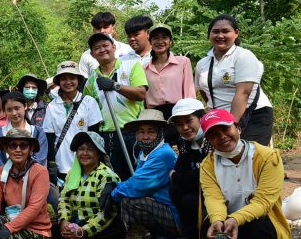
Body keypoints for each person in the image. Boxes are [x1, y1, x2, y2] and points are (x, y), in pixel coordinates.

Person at [199, 109, 291, 239]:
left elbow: (264, 201)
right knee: (208, 226)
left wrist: (236, 219)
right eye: (214, 134)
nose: (222, 137)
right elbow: (213, 198)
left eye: (226, 129)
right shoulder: (208, 164)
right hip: (228, 224)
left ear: (238, 128)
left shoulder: (267, 157)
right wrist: (218, 220)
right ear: (209, 140)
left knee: (257, 227)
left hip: (258, 227)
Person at [104, 109, 183, 239]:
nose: (145, 137)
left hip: (174, 215)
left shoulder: (163, 154)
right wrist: (115, 186)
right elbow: (137, 180)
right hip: (161, 207)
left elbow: (138, 185)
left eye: (151, 132)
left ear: (160, 133)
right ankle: (158, 234)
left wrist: (114, 193)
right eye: (141, 132)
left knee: (129, 201)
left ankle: (167, 235)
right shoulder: (144, 152)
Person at [195, 15, 273, 145]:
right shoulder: (202, 63)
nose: (220, 35)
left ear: (236, 33)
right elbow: (203, 91)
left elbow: (243, 93)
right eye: (215, 31)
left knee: (250, 154)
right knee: (225, 156)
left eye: (225, 31)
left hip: (252, 114)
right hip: (220, 120)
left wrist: (231, 125)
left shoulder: (244, 56)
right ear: (209, 34)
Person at [83, 32, 148, 180]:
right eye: (96, 48)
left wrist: (114, 86)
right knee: (113, 179)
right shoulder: (91, 80)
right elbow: (90, 111)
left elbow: (141, 93)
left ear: (113, 47)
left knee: (137, 177)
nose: (102, 50)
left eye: (105, 45)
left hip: (132, 132)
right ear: (92, 54)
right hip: (106, 136)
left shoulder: (131, 65)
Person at [0, 128, 51, 239]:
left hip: (36, 230)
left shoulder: (40, 172)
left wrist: (8, 228)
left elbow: (34, 208)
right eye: (13, 145)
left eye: (23, 145)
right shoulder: (0, 172)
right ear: (6, 149)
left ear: (30, 149)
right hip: (12, 220)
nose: (18, 150)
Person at [52, 132, 124, 239]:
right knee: (51, 233)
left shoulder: (106, 176)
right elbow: (64, 199)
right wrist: (64, 221)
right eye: (81, 149)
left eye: (90, 149)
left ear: (98, 153)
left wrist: (84, 231)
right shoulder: (72, 174)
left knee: (113, 232)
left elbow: (107, 213)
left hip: (100, 227)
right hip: (77, 223)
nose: (85, 153)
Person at [44, 61, 103, 186]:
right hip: (61, 164)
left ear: (78, 80)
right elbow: (49, 137)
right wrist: (51, 162)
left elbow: (94, 135)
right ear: (59, 82)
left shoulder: (89, 102)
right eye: (64, 79)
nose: (68, 82)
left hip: (85, 163)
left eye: (72, 78)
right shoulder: (52, 106)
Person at [143, 24, 195, 146]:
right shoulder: (144, 68)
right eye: (155, 38)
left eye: (164, 37)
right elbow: (144, 98)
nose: (160, 41)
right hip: (155, 117)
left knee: (181, 149)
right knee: (159, 150)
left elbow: (189, 93)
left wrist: (190, 117)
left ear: (170, 41)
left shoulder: (183, 62)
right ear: (150, 42)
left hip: (178, 113)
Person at [168, 98, 212, 239]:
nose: (185, 127)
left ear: (201, 118)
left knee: (190, 199)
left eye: (189, 121)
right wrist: (181, 178)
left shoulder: (213, 138)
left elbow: (206, 174)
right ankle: (190, 233)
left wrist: (177, 177)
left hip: (216, 192)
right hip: (196, 190)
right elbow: (181, 169)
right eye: (180, 124)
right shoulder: (185, 144)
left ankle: (202, 234)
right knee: (175, 190)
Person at [0, 92, 48, 167]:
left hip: (34, 173)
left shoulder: (38, 132)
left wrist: (25, 172)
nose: (14, 113)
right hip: (5, 174)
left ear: (25, 106)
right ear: (4, 111)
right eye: (9, 110)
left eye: (17, 108)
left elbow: (40, 160)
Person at [77, 12, 133, 77]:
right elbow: (84, 80)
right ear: (93, 30)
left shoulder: (128, 50)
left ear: (113, 28)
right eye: (98, 28)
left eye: (105, 27)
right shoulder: (86, 56)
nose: (102, 31)